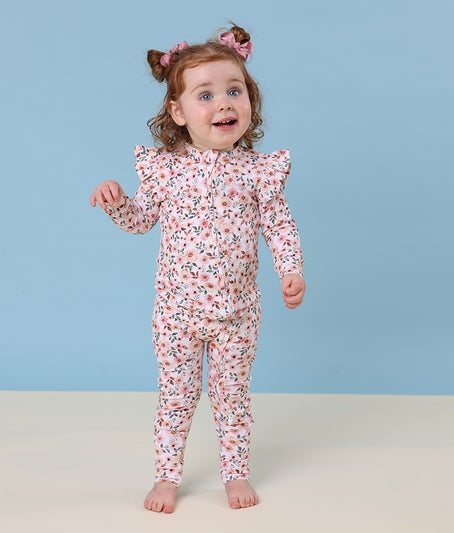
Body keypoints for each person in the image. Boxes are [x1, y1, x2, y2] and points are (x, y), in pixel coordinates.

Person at [90, 24, 305, 513]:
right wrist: (117, 202)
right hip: (177, 314)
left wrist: (290, 270)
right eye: (205, 95)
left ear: (250, 100)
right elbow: (141, 221)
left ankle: (235, 473)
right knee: (176, 397)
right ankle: (167, 477)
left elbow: (279, 225)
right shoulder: (165, 169)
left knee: (233, 398)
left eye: (234, 91)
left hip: (237, 315)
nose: (223, 103)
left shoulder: (258, 171)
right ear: (178, 112)